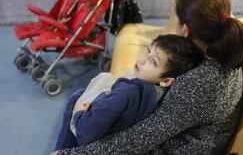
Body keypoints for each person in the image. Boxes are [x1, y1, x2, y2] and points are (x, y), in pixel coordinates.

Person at [56, 0, 243, 154]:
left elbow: (139, 139)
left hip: (173, 146)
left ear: (185, 30)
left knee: (83, 107)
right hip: (174, 134)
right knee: (87, 101)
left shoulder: (199, 84)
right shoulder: (222, 53)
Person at [54, 34, 205, 151]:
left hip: (87, 135)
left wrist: (79, 112)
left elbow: (85, 133)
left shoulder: (126, 93)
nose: (142, 59)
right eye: (148, 50)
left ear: (166, 81)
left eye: (153, 61)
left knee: (74, 99)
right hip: (110, 127)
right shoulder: (158, 94)